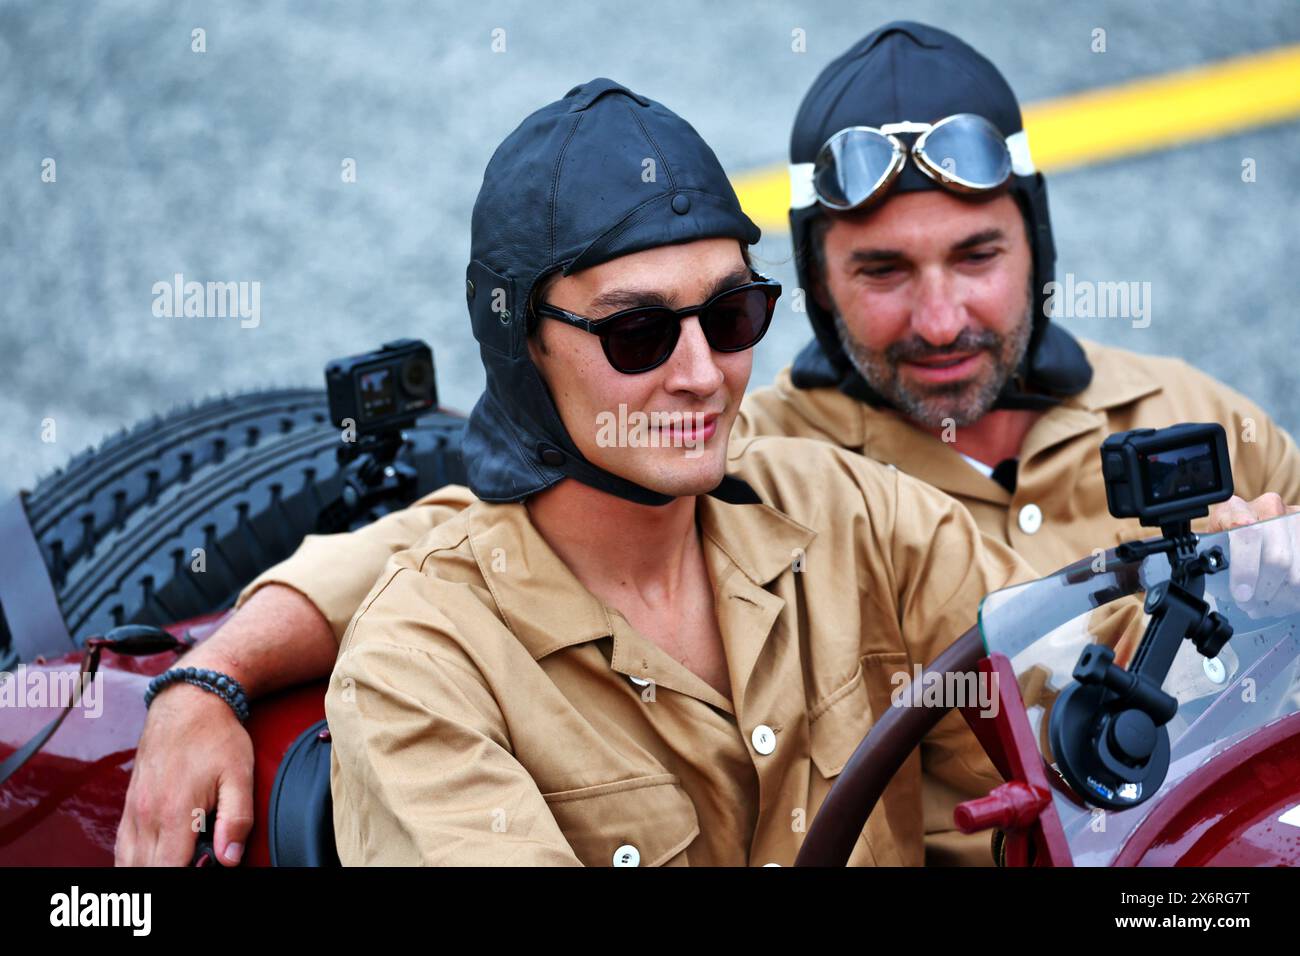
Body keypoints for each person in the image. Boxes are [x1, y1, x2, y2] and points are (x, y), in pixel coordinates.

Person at [116, 23, 1299, 866]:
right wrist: (207, 674)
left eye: (731, 316)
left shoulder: (841, 505)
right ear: (522, 347)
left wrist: (1246, 607)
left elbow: (1066, 681)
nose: (697, 370)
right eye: (637, 332)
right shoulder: (432, 658)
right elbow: (438, 543)